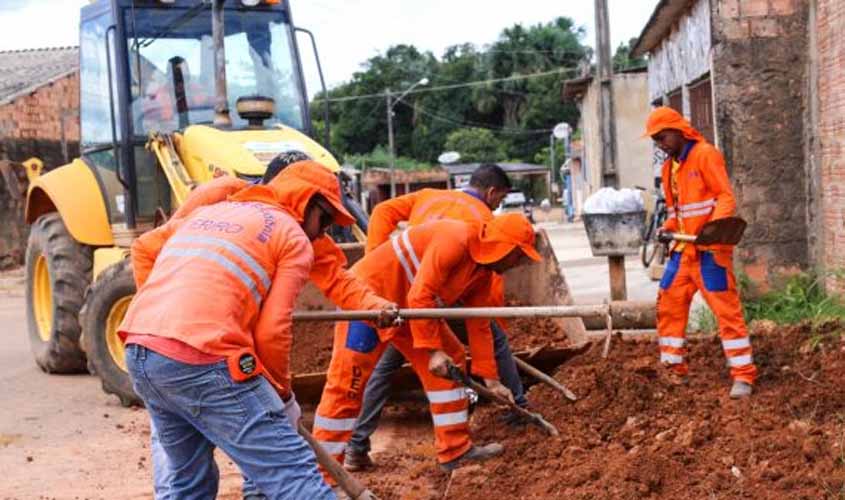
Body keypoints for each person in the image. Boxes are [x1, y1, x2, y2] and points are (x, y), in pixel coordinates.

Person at [119, 162, 397, 499]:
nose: (323, 233)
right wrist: (281, 394)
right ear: (306, 201)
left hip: (141, 351)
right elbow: (272, 332)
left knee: (188, 484)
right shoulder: (290, 234)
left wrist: (164, 326)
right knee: (296, 477)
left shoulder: (215, 211)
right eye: (324, 220)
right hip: (204, 356)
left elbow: (146, 246)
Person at [313, 213, 541, 475]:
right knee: (348, 385)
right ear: (506, 248)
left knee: (452, 357)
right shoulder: (455, 240)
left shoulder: (482, 274)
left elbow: (479, 325)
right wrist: (433, 351)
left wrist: (492, 380)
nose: (518, 264)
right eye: (519, 256)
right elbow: (421, 295)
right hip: (366, 300)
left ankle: (455, 450)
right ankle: (324, 473)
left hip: (406, 310)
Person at [644, 106, 756, 399]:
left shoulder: (705, 155)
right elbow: (676, 213)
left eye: (662, 137)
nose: (660, 144)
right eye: (655, 140)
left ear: (679, 131)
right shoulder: (668, 169)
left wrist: (713, 230)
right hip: (683, 251)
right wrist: (667, 228)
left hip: (709, 252)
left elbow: (725, 197)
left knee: (726, 311)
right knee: (669, 304)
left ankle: (743, 375)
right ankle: (672, 369)